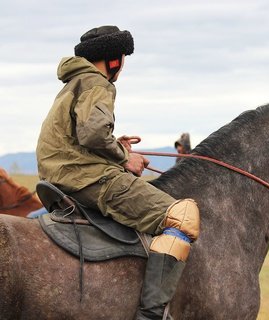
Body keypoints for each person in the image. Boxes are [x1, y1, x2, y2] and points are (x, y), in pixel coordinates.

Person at [36, 25, 200, 319]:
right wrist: (125, 157)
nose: (122, 66)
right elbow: (93, 134)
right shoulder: (98, 84)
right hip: (86, 179)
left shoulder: (74, 82)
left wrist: (114, 146)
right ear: (114, 60)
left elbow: (82, 137)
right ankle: (151, 313)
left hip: (61, 175)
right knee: (184, 215)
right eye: (123, 58)